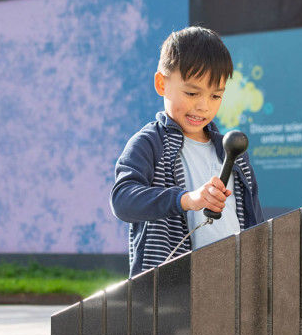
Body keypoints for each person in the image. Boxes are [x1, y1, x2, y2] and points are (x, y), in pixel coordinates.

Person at [111, 26, 264, 277]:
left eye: (216, 96)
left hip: (233, 281)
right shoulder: (149, 143)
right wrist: (187, 199)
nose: (203, 106)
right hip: (173, 289)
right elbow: (122, 200)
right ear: (161, 83)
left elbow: (253, 220)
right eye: (192, 93)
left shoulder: (233, 153)